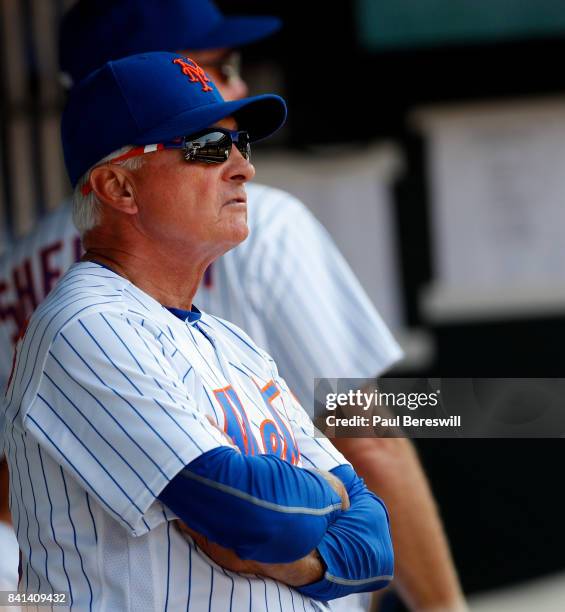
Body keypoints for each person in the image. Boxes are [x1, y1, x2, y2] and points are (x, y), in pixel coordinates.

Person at [0, 1, 465, 610]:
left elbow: (374, 546)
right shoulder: (86, 317)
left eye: (240, 143)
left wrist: (302, 556)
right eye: (206, 144)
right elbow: (352, 450)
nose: (242, 167)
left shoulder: (226, 340)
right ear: (118, 187)